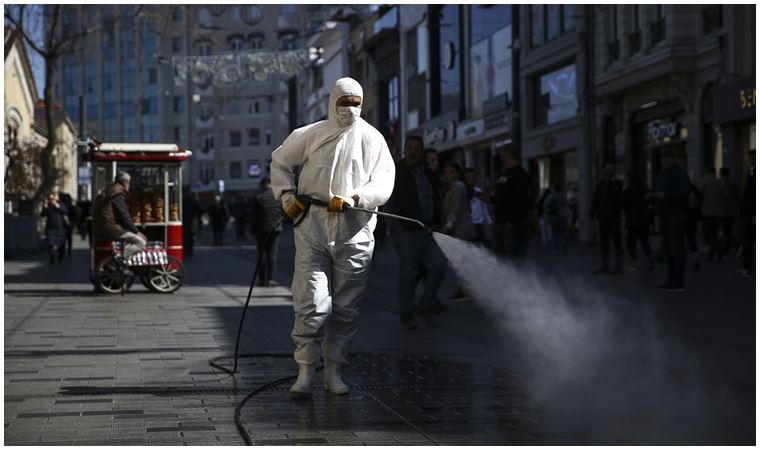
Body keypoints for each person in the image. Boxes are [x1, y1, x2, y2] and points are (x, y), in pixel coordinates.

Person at [270, 77, 395, 396]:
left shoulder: (373, 139)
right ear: (332, 101)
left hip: (354, 232)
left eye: (356, 103)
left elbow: (384, 182)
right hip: (312, 227)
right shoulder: (311, 134)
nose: (350, 109)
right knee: (309, 302)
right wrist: (287, 196)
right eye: (344, 102)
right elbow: (280, 162)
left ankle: (334, 371)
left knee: (346, 307)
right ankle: (305, 371)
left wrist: (356, 199)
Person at [386, 135, 447, 329]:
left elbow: (437, 198)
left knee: (438, 266)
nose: (413, 152)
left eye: (417, 149)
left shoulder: (428, 174)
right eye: (410, 148)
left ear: (422, 152)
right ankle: (407, 314)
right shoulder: (395, 171)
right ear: (404, 150)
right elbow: (387, 203)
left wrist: (440, 223)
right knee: (409, 274)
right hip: (407, 233)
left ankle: (426, 304)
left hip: (430, 231)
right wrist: (397, 230)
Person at [651, 147, 691, 292]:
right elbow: (658, 193)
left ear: (673, 158)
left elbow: (685, 191)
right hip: (664, 215)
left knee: (676, 249)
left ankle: (678, 282)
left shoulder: (680, 173)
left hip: (676, 215)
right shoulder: (660, 174)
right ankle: (671, 280)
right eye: (663, 157)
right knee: (668, 250)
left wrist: (665, 195)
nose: (665, 159)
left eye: (668, 157)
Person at [91, 171, 147, 263]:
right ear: (125, 182)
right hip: (111, 228)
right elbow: (123, 214)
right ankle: (123, 261)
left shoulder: (109, 190)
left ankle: (121, 258)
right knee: (140, 241)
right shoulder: (118, 193)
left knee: (128, 240)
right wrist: (136, 231)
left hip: (102, 226)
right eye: (129, 182)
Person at [492, 148, 531, 258]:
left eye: (502, 154)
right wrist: (490, 200)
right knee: (500, 256)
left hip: (511, 225)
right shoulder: (504, 173)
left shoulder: (519, 174)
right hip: (501, 223)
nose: (500, 157)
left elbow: (521, 199)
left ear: (508, 154)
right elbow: (504, 196)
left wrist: (512, 221)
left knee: (513, 258)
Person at [590, 162, 624, 274]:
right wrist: (592, 214)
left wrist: (611, 181)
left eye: (611, 169)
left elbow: (618, 197)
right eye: (607, 168)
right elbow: (596, 199)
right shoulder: (600, 185)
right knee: (604, 242)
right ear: (604, 170)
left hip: (614, 218)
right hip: (603, 218)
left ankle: (618, 266)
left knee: (616, 241)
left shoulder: (618, 183)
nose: (609, 171)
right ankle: (605, 265)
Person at [250, 178, 283, 286]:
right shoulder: (278, 196)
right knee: (272, 254)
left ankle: (261, 279)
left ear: (262, 184)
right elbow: (284, 212)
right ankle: (271, 279)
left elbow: (253, 215)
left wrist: (252, 229)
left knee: (261, 254)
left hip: (261, 229)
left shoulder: (258, 196)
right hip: (276, 228)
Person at [622, 172, 654, 271]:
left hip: (632, 221)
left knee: (632, 242)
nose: (624, 180)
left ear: (629, 179)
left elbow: (623, 206)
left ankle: (633, 263)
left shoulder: (626, 191)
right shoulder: (643, 189)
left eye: (625, 178)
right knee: (644, 242)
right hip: (643, 220)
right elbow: (650, 200)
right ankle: (649, 260)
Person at [700, 167, 727, 262]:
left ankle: (717, 251)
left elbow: (700, 195)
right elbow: (725, 196)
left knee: (709, 234)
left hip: (707, 212)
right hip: (719, 212)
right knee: (716, 233)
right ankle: (715, 253)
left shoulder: (704, 181)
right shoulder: (720, 182)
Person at [41, 193, 68, 264]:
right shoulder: (47, 206)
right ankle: (52, 259)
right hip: (50, 228)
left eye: (53, 198)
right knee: (50, 244)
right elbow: (43, 214)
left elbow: (65, 211)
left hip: (60, 227)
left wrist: (57, 205)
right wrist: (45, 206)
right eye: (50, 199)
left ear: (57, 198)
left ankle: (60, 258)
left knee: (61, 244)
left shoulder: (60, 204)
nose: (52, 200)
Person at [740, 150, 755, 277]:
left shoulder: (753, 173)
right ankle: (746, 267)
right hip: (750, 212)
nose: (751, 161)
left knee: (748, 239)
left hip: (752, 212)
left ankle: (747, 268)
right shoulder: (751, 171)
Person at [542, 181, 568, 253]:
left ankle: (555, 245)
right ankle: (563, 244)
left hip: (554, 216)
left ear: (553, 188)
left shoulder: (551, 196)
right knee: (562, 231)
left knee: (554, 232)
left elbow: (545, 205)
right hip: (563, 216)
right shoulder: (563, 195)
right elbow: (565, 204)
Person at [719, 167, 739, 257]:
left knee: (726, 231)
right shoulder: (734, 182)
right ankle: (728, 247)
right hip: (733, 210)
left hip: (725, 210)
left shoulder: (723, 182)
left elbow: (725, 196)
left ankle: (734, 246)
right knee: (729, 230)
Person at [686, 179, 703, 271]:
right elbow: (700, 199)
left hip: (684, 216)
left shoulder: (682, 189)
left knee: (680, 237)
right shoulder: (693, 188)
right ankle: (695, 258)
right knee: (691, 238)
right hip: (693, 217)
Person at [182, 189, 201, 256]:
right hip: (189, 220)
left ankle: (188, 248)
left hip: (188, 221)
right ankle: (188, 248)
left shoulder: (184, 202)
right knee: (189, 235)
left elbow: (198, 210)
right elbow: (199, 210)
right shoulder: (192, 202)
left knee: (188, 235)